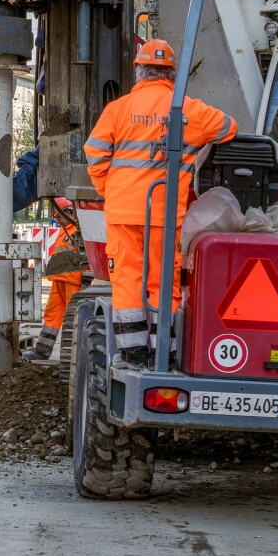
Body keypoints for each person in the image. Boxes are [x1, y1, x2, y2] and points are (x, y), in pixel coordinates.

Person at [83, 38, 237, 368]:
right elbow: (229, 127)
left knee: (127, 278)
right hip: (165, 215)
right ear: (171, 74)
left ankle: (133, 353)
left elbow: (94, 154)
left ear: (138, 70)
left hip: (123, 211)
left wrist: (107, 190)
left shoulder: (118, 109)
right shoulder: (189, 110)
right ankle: (162, 352)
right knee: (163, 280)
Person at [22, 198, 84, 362]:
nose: (56, 220)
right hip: (59, 280)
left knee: (73, 318)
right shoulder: (65, 230)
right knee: (51, 316)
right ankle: (42, 350)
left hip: (73, 281)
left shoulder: (79, 230)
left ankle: (73, 355)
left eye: (58, 216)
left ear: (69, 213)